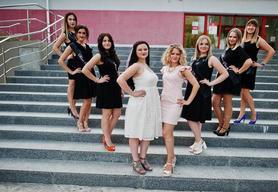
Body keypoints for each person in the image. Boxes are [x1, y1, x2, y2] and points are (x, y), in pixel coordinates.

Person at [117, 41, 161, 175]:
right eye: (140, 49)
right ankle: (135, 161)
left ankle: (143, 158)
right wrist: (132, 93)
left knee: (147, 132)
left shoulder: (146, 65)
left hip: (151, 103)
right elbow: (120, 80)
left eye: (145, 49)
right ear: (135, 52)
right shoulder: (136, 65)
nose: (143, 51)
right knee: (136, 132)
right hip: (140, 103)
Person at [181, 35, 228, 152]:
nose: (203, 46)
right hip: (191, 90)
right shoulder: (195, 58)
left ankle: (199, 141)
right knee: (195, 118)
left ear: (209, 46)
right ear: (197, 45)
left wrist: (211, 83)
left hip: (202, 92)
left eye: (206, 44)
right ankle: (198, 142)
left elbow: (225, 73)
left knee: (190, 117)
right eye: (201, 44)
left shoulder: (211, 58)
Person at [160, 44, 200, 176]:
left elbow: (196, 85)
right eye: (173, 53)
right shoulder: (165, 69)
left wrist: (187, 101)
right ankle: (172, 156)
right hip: (163, 102)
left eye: (177, 54)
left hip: (175, 104)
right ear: (169, 54)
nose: (175, 56)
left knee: (167, 132)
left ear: (181, 56)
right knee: (165, 133)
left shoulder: (182, 69)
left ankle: (169, 161)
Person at [82, 33, 122, 152]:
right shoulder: (99, 56)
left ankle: (106, 135)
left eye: (109, 40)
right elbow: (85, 69)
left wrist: (121, 88)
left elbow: (116, 73)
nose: (107, 43)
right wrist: (97, 80)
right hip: (105, 88)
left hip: (115, 87)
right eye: (104, 41)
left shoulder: (113, 55)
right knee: (107, 114)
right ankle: (108, 140)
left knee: (117, 113)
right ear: (100, 43)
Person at [212, 28, 253, 136]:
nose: (232, 38)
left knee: (227, 104)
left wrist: (239, 71)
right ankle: (222, 124)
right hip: (221, 78)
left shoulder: (238, 49)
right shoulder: (227, 48)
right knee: (214, 102)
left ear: (238, 38)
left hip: (230, 80)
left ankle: (225, 127)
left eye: (234, 37)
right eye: (230, 36)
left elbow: (249, 61)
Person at [234, 19, 275, 124]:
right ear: (246, 27)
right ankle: (241, 115)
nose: (251, 27)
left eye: (253, 26)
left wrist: (262, 64)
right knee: (243, 93)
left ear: (256, 28)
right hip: (241, 68)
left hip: (250, 70)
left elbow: (271, 51)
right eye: (249, 25)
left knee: (245, 92)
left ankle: (254, 114)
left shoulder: (258, 39)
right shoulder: (242, 39)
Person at [58, 25, 95, 132]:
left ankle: (85, 122)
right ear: (76, 34)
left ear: (86, 35)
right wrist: (71, 72)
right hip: (81, 76)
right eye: (79, 33)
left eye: (84, 33)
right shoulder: (73, 46)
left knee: (89, 101)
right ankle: (80, 122)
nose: (82, 35)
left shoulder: (87, 46)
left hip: (90, 74)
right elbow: (61, 60)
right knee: (87, 100)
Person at [53, 12, 79, 119]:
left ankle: (72, 106)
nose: (72, 21)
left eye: (74, 19)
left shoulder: (78, 32)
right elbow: (55, 47)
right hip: (72, 62)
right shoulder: (65, 34)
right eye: (70, 19)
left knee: (77, 86)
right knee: (72, 84)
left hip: (79, 61)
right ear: (66, 21)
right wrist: (65, 56)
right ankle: (72, 108)